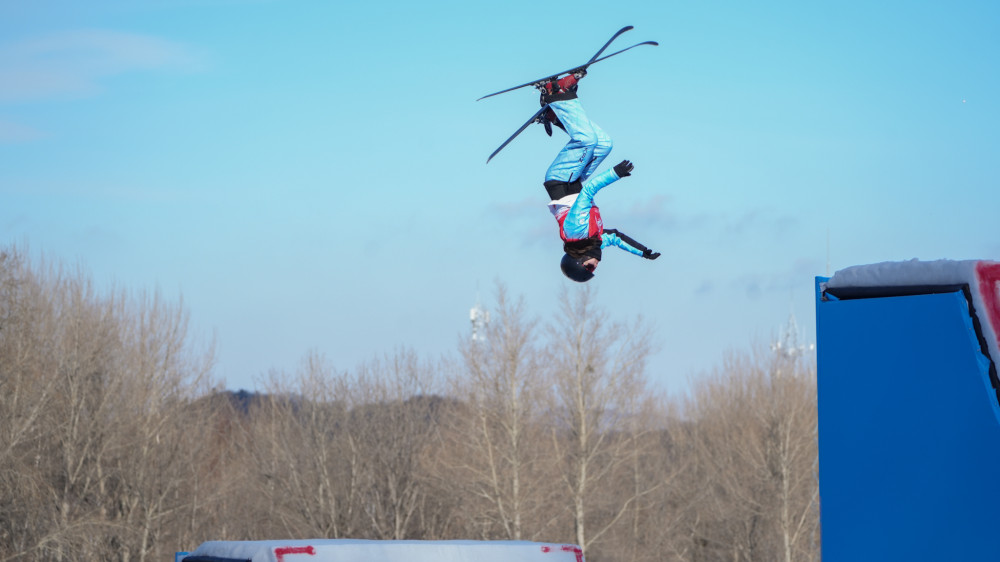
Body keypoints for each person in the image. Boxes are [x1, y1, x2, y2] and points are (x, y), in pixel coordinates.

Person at [538, 72, 660, 282]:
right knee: (604, 144)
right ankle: (555, 116)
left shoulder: (576, 231)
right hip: (573, 180)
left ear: (579, 260)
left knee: (586, 140)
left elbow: (589, 191)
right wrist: (643, 253)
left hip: (560, 177)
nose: (595, 267)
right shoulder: (593, 241)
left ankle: (556, 93)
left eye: (589, 268)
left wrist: (615, 174)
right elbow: (616, 238)